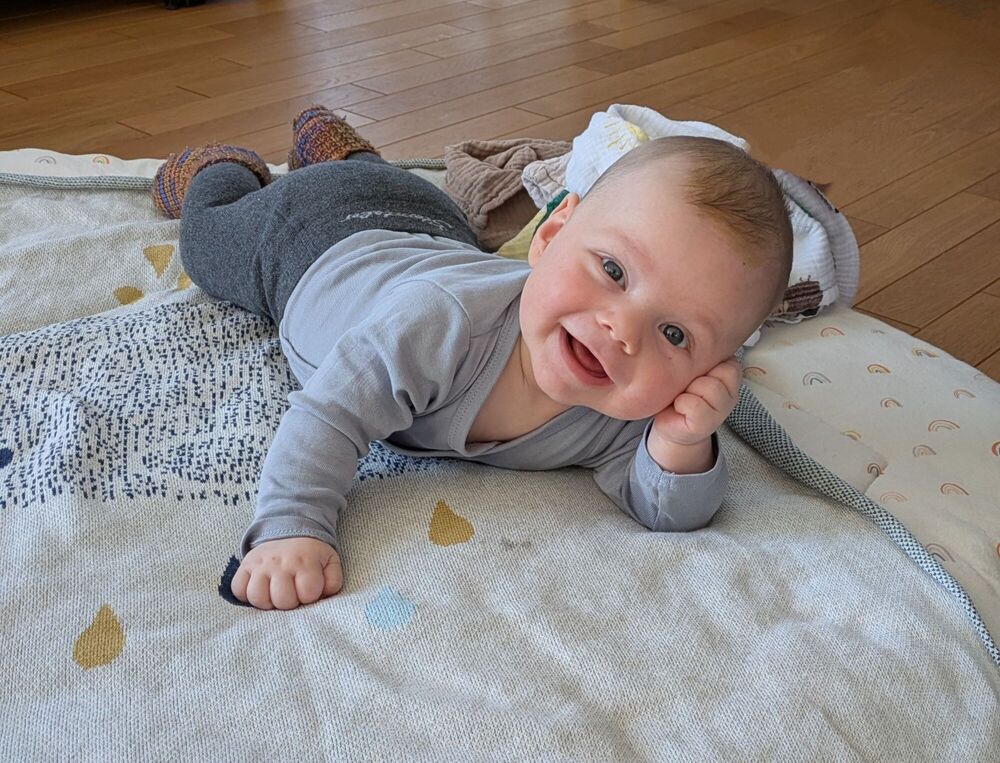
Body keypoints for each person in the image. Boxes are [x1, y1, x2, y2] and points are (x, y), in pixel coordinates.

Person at [153, 105, 793, 611]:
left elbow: (665, 511)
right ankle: (223, 168)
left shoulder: (624, 414)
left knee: (403, 199)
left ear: (714, 367)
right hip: (315, 238)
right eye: (613, 270)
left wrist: (682, 443)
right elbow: (330, 414)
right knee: (208, 245)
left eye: (676, 334)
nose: (621, 330)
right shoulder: (440, 323)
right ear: (550, 235)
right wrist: (292, 525)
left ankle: (339, 150)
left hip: (434, 223)